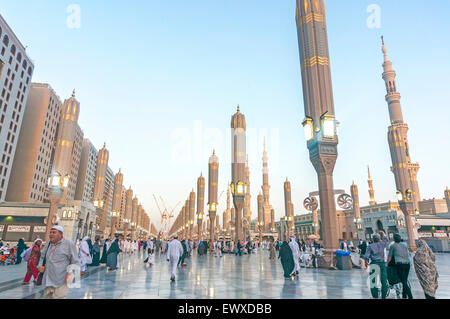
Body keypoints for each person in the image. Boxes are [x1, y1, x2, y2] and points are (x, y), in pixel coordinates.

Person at [38, 225, 79, 299]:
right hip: (48, 280)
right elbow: (42, 257)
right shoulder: (48, 244)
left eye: (54, 232)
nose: (51, 234)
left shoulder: (68, 244)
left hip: (61, 281)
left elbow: (75, 261)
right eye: (50, 232)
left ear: (61, 234)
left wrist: (71, 274)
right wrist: (40, 265)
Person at [364, 231, 389, 299]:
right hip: (382, 263)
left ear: (373, 240)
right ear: (379, 239)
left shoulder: (370, 246)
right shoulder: (382, 244)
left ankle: (375, 296)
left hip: (374, 263)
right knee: (384, 281)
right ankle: (383, 296)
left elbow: (366, 256)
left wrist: (366, 263)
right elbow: (386, 239)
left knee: (374, 281)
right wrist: (383, 233)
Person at [387, 234, 413, 299]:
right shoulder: (405, 244)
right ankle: (404, 296)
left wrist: (386, 263)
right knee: (405, 280)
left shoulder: (392, 246)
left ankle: (410, 296)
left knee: (403, 281)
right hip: (407, 264)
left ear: (393, 239)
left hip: (400, 264)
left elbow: (390, 256)